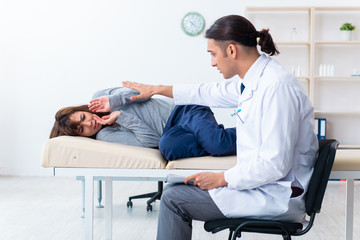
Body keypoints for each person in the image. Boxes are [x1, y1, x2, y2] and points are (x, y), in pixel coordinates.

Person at [122, 15, 318, 240]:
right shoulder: (252, 81)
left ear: (232, 51)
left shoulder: (276, 88)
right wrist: (157, 89)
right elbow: (208, 92)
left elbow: (274, 166)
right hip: (263, 187)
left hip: (277, 196)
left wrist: (221, 178)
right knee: (173, 190)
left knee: (172, 198)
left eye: (213, 54)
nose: (212, 63)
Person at [50, 87, 236, 160]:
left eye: (83, 118)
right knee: (166, 147)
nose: (89, 123)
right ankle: (209, 137)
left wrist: (113, 102)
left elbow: (140, 92)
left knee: (216, 143)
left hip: (184, 111)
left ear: (83, 110)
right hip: (172, 133)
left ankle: (249, 134)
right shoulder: (105, 136)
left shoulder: (100, 98)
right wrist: (120, 117)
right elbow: (151, 140)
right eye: (82, 130)